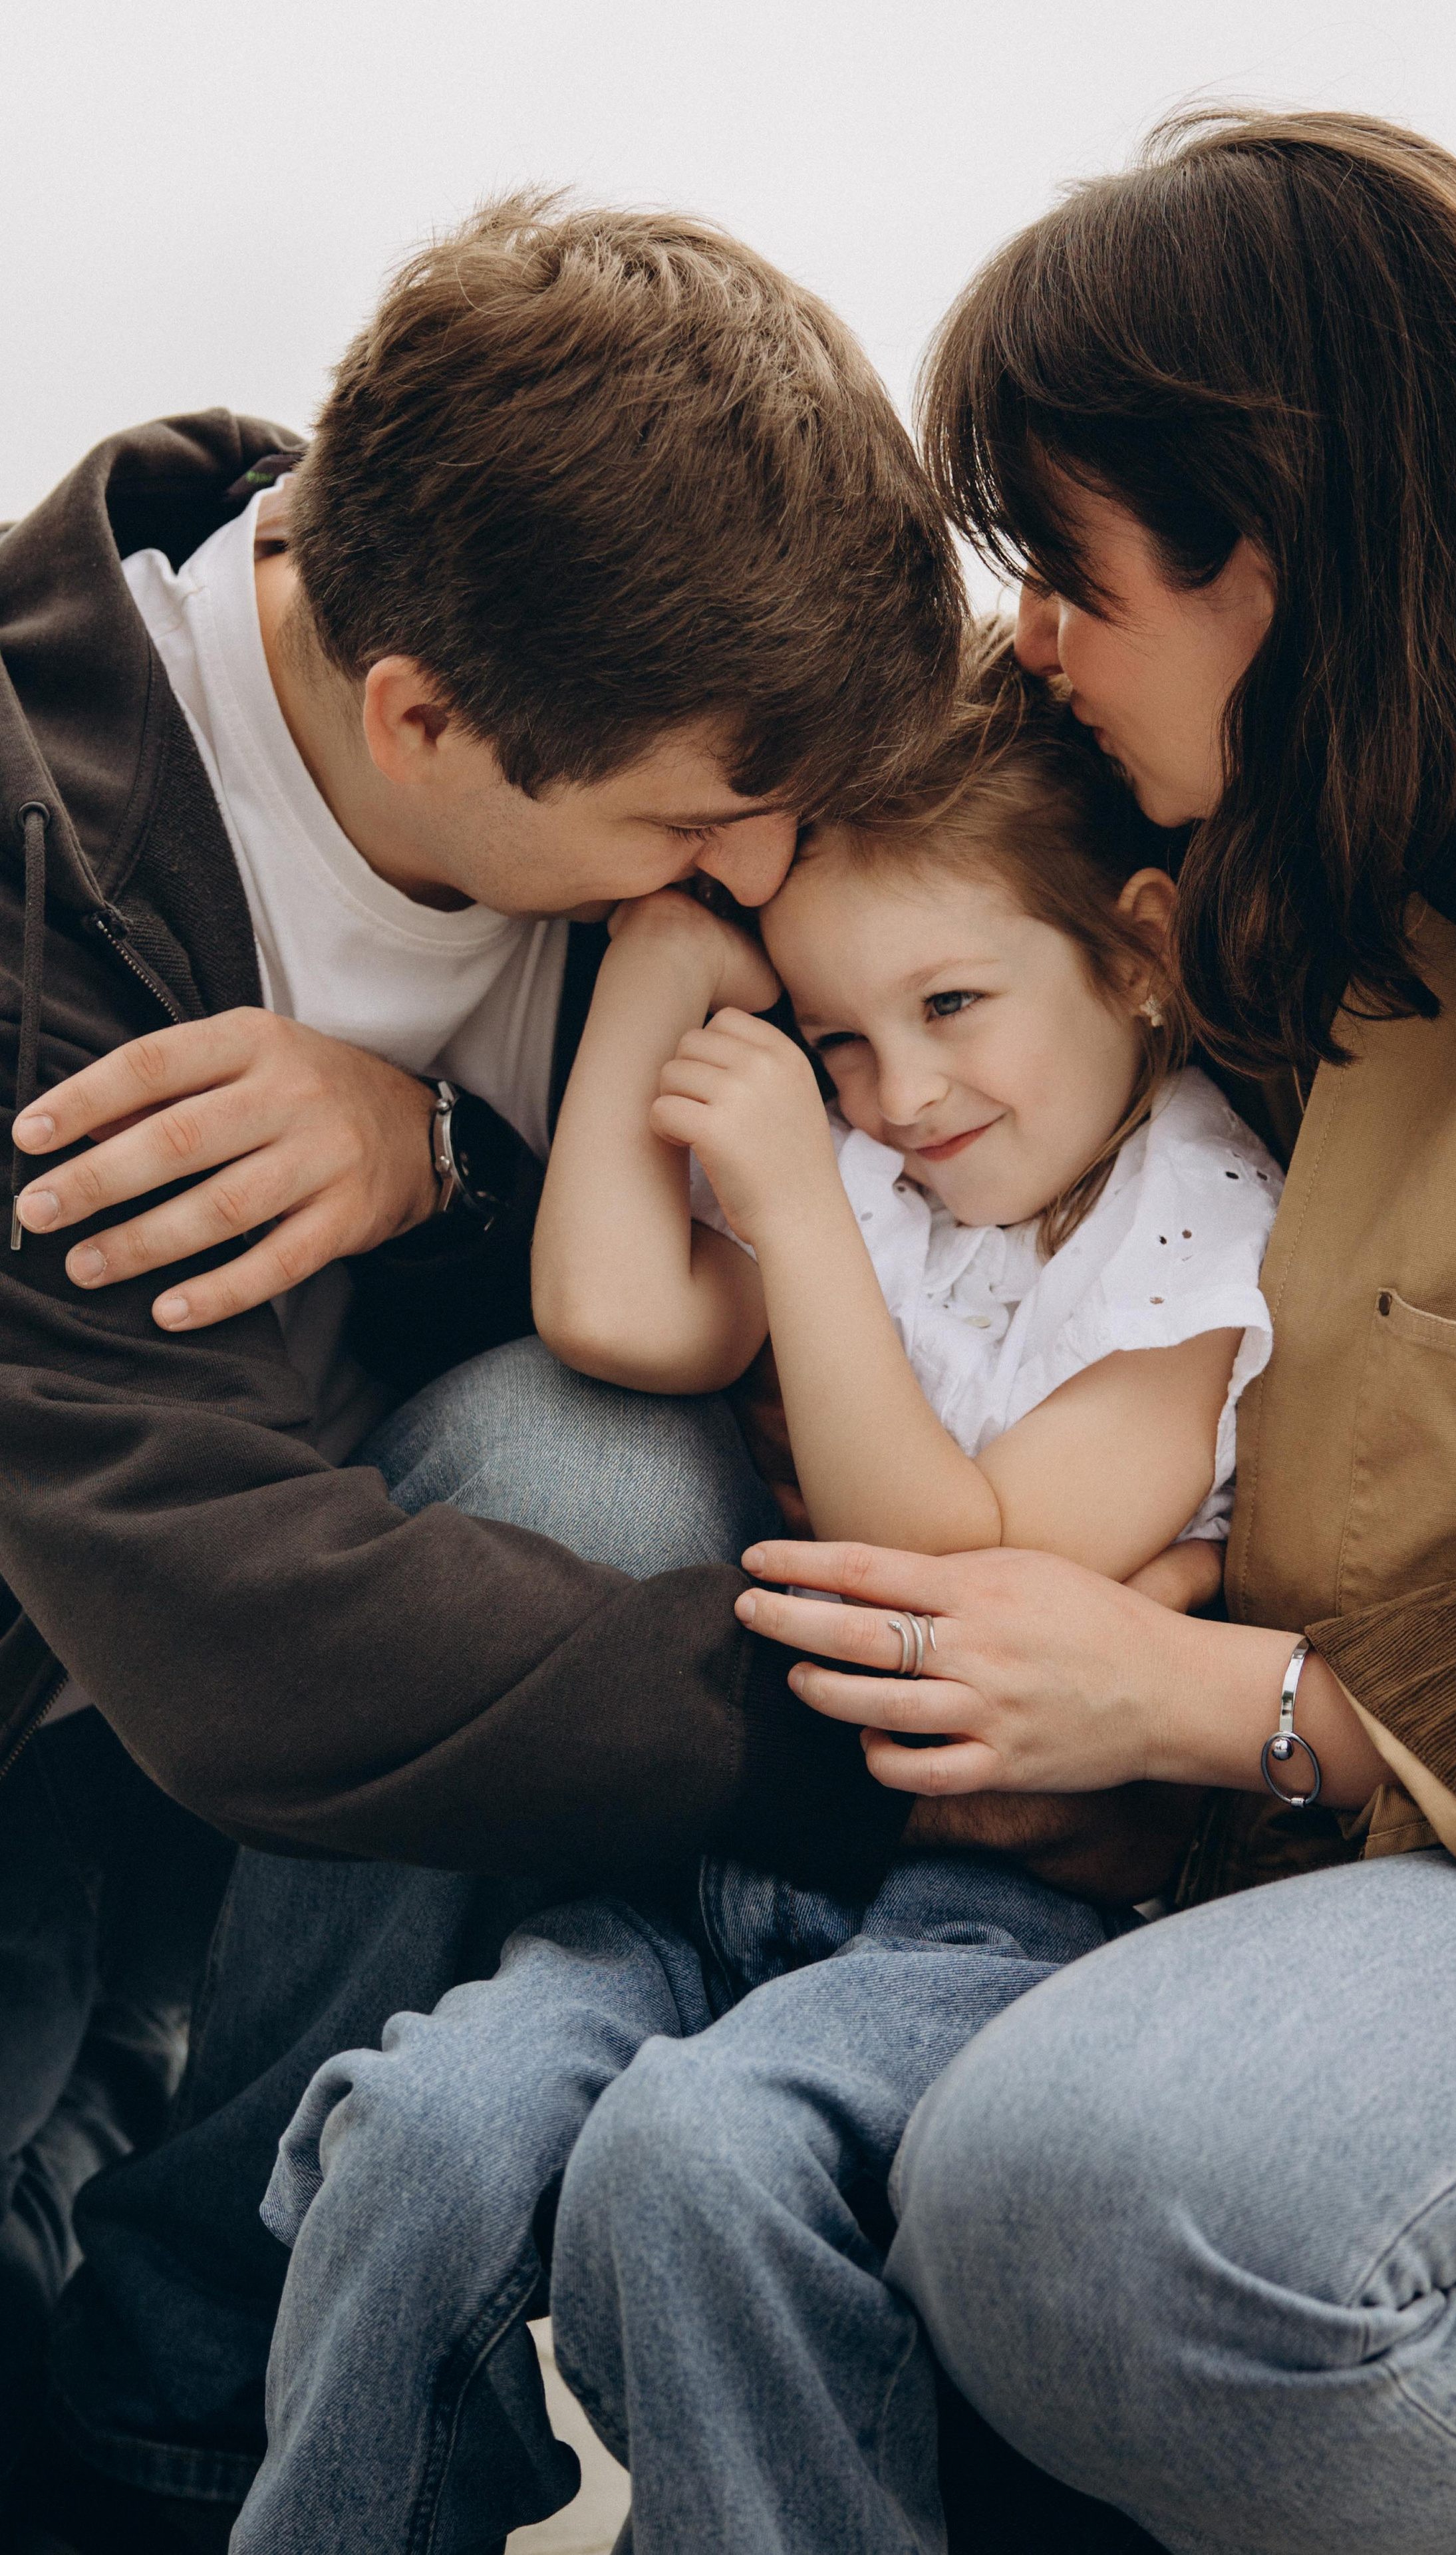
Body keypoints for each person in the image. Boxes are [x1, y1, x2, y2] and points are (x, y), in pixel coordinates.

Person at [708, 108, 1456, 2552]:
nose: (1027, 630)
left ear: (1296, 554)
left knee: (1088, 2178)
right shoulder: (1243, 923)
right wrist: (408, 1134)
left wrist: (1249, 1706)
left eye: (1066, 564)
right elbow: (821, 921)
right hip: (1337, 1913)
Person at [0, 186, 984, 2542]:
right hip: (92, 1708)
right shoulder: (39, 864)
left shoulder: (603, 662)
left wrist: (441, 1151)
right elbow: (250, 1623)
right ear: (416, 719)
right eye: (693, 820)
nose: (762, 872)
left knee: (590, 1447)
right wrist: (911, 1736)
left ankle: (197, 2371)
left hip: (315, 1787)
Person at [226, 638, 1276, 2554]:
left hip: (987, 1924)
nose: (902, 1087)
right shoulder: (887, 1170)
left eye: (955, 1002)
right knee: (436, 2129)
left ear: (1137, 951)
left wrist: (796, 1214)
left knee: (700, 2162)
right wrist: (665, 981)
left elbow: (951, 1573)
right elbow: (615, 1314)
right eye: (842, 1032)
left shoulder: (1202, 1237)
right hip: (707, 1867)